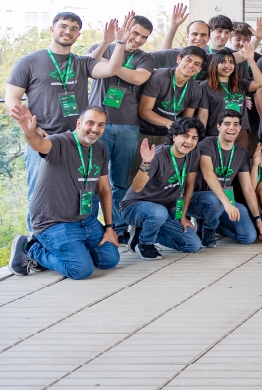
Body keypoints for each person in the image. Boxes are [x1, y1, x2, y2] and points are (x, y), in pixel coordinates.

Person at [6, 13, 134, 196]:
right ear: (52, 29)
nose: (68, 31)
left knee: (74, 194)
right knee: (39, 194)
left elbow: (112, 69)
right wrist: (30, 128)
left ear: (78, 35)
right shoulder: (29, 62)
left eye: (74, 29)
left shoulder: (82, 62)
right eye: (63, 26)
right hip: (42, 138)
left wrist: (120, 43)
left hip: (77, 140)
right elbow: (12, 98)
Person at [8, 105, 120, 279]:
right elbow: (38, 144)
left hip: (85, 220)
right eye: (90, 123)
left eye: (101, 125)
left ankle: (70, 250)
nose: (95, 129)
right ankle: (31, 247)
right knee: (81, 270)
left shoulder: (99, 149)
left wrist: (109, 228)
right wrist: (29, 132)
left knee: (110, 260)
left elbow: (104, 189)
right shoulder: (60, 142)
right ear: (79, 123)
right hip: (54, 222)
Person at [85, 13, 156, 239]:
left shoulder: (146, 58)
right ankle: (89, 227)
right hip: (97, 125)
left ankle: (118, 228)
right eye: (135, 33)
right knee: (92, 178)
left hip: (128, 126)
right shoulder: (103, 48)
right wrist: (111, 44)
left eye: (144, 37)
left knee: (120, 181)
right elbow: (88, 65)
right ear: (126, 30)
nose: (138, 39)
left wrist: (111, 66)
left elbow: (138, 78)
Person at [122, 117, 205, 258]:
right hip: (135, 207)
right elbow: (136, 188)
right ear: (174, 136)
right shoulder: (159, 155)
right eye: (185, 136)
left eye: (194, 138)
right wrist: (146, 163)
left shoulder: (193, 153)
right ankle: (144, 243)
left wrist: (183, 215)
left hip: (166, 210)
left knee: (192, 244)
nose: (189, 141)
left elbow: (189, 184)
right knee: (158, 213)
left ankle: (142, 231)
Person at [194, 110, 262, 246]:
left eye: (236, 124)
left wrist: (258, 218)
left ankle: (211, 225)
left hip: (224, 201)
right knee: (214, 200)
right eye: (227, 124)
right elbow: (208, 174)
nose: (232, 127)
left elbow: (247, 187)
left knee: (248, 237)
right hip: (201, 200)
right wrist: (227, 204)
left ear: (240, 127)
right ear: (218, 126)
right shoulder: (206, 144)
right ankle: (207, 229)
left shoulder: (241, 152)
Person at [137, 47, 206, 149]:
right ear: (178, 59)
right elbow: (144, 111)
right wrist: (169, 123)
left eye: (197, 64)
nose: (191, 65)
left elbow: (186, 118)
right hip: (143, 132)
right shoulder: (159, 77)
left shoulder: (196, 90)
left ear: (199, 69)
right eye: (188, 60)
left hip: (169, 135)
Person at [198, 47, 262, 141]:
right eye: (222, 62)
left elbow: (260, 83)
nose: (227, 65)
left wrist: (250, 60)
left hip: (240, 132)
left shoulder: (239, 83)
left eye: (231, 62)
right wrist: (201, 138)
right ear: (214, 64)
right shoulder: (205, 86)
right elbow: (203, 115)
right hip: (217, 133)